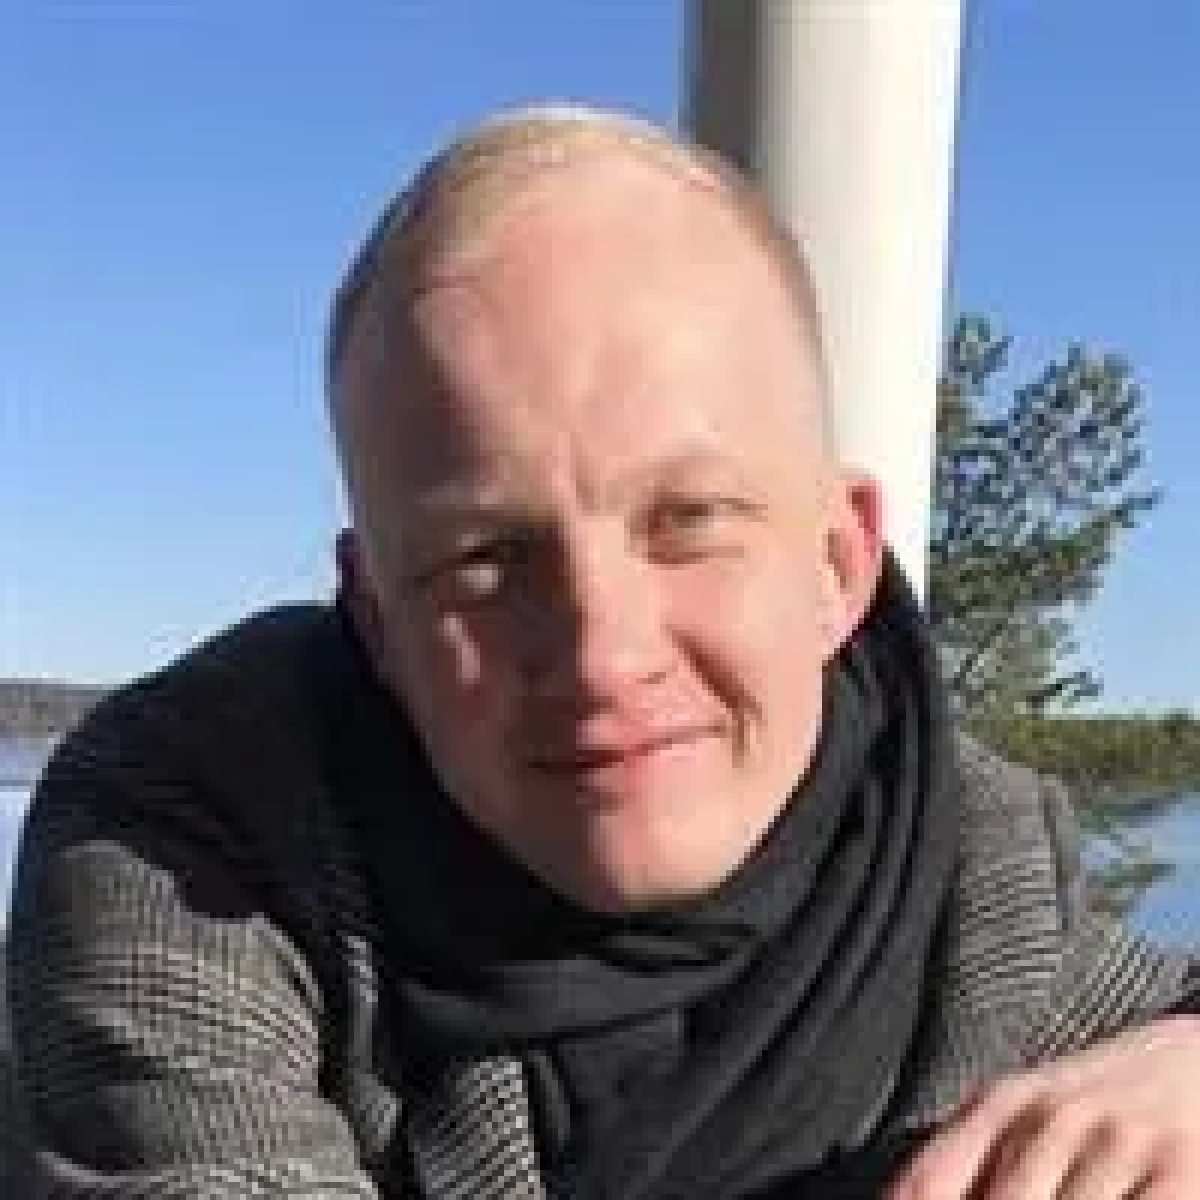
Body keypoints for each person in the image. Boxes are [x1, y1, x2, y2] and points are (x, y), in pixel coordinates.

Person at [6, 104, 1200, 1199]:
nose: (601, 653)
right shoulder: (201, 844)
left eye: (690, 521)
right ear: (377, 624)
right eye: (484, 558)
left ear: (838, 565)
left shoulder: (965, 881)